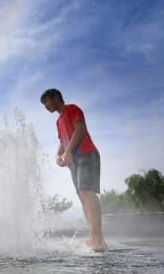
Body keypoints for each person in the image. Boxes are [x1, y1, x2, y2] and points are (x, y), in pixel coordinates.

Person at [40, 89, 107, 252]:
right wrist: (59, 155)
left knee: (87, 192)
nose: (45, 107)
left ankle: (98, 239)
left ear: (56, 98)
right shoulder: (58, 121)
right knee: (82, 196)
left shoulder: (71, 108)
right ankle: (94, 237)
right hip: (74, 160)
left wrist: (68, 151)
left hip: (86, 153)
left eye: (46, 102)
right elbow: (63, 141)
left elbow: (80, 129)